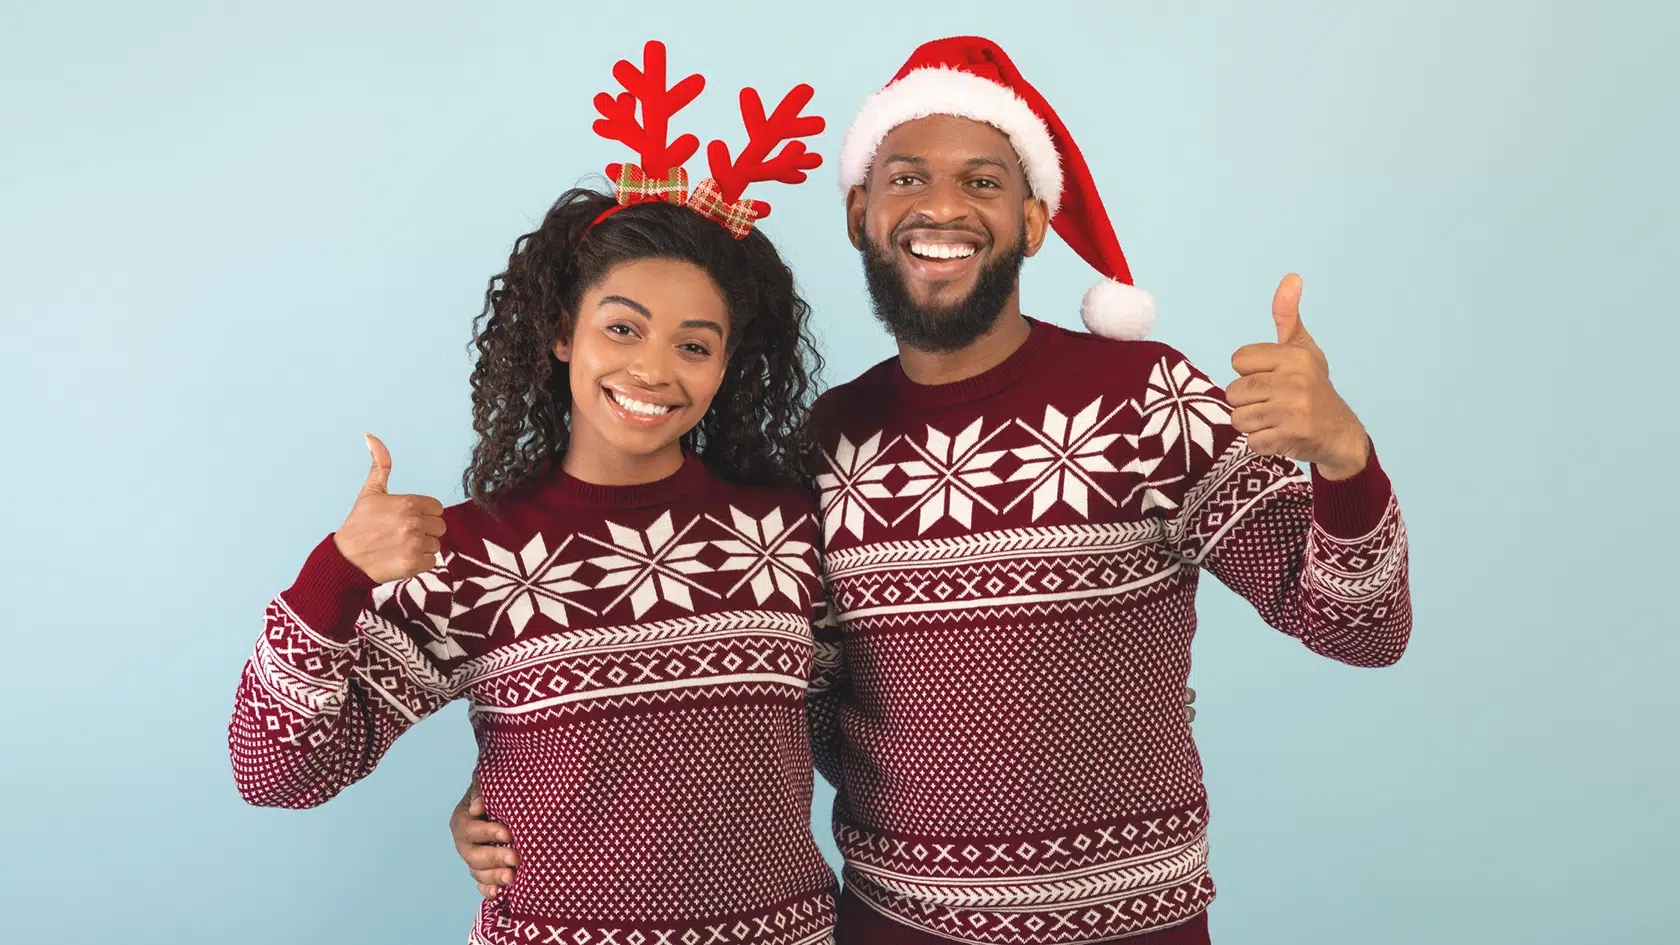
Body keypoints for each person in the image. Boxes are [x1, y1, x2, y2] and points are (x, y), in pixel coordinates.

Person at [452, 35, 1412, 945]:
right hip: (890, 923)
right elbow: (779, 694)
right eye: (907, 177)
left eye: (982, 182)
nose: (941, 206)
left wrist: (1341, 454)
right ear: (860, 213)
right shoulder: (827, 444)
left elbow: (1361, 627)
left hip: (1133, 921)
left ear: (1034, 219)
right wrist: (528, 787)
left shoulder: (1146, 395)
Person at [229, 42, 843, 945]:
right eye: (623, 327)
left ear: (726, 367)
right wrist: (337, 575)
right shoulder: (473, 554)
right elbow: (277, 771)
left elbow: (869, 729)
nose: (653, 368)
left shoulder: (786, 532)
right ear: (563, 332)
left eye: (694, 344)